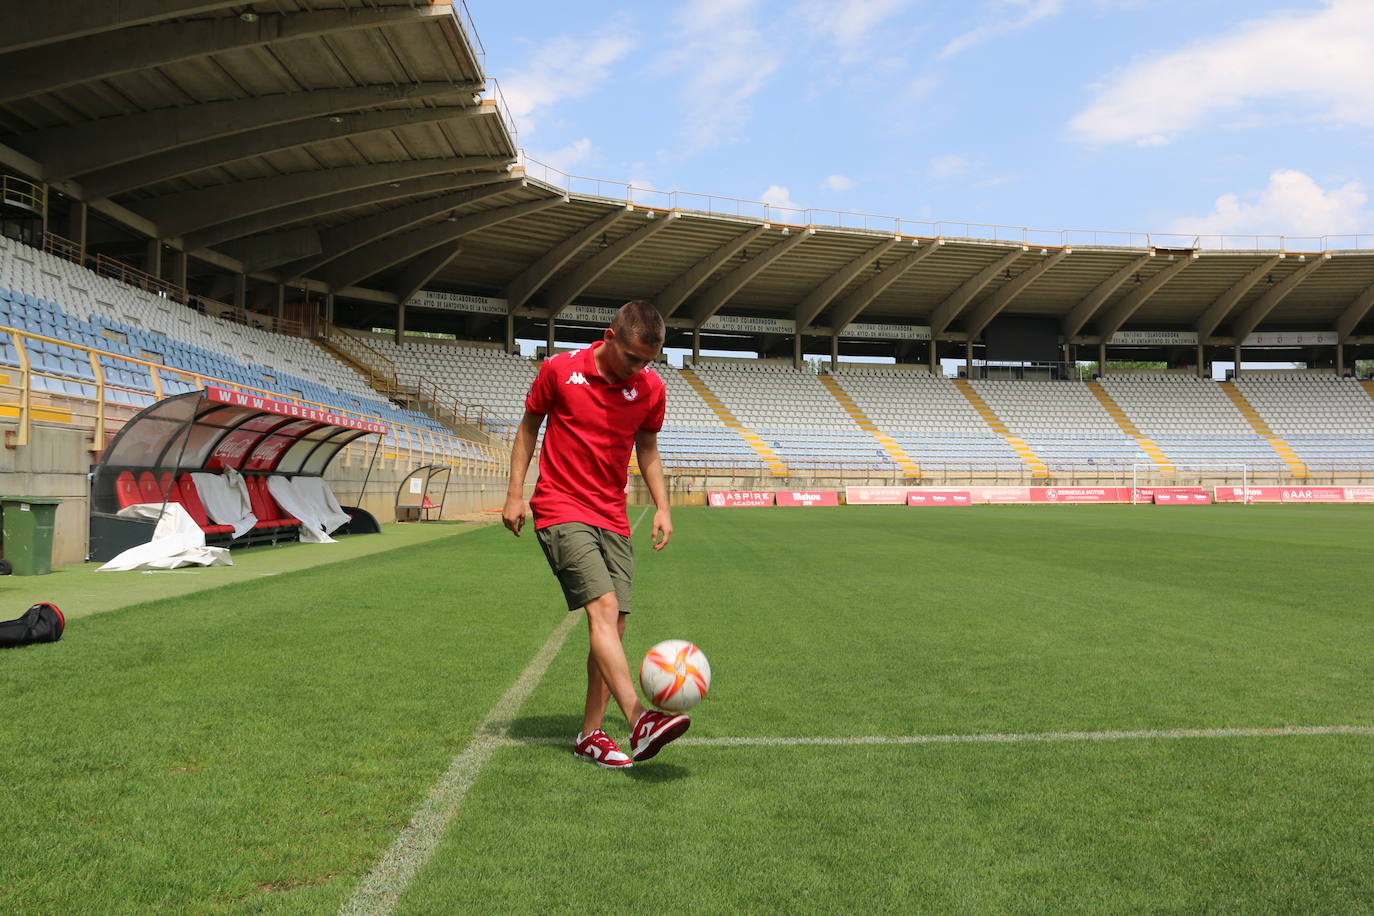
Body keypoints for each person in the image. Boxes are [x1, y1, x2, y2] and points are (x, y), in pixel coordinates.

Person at [502, 301, 687, 769]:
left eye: (647, 362)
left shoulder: (651, 389)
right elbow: (528, 430)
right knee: (602, 609)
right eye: (632, 358)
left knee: (615, 626)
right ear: (609, 336)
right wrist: (514, 494)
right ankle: (640, 719)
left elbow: (647, 449)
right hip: (560, 506)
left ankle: (590, 734)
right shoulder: (559, 370)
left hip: (612, 514)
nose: (638, 370)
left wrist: (663, 506)